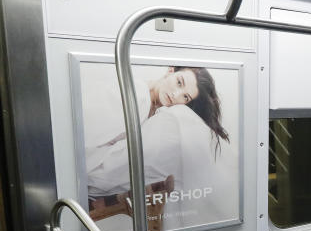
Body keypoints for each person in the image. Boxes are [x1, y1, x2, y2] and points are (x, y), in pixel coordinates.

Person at [84, 66, 230, 198]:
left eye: (185, 97)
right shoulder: (137, 93)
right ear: (170, 71)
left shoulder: (154, 113)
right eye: (179, 82)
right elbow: (87, 136)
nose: (176, 94)